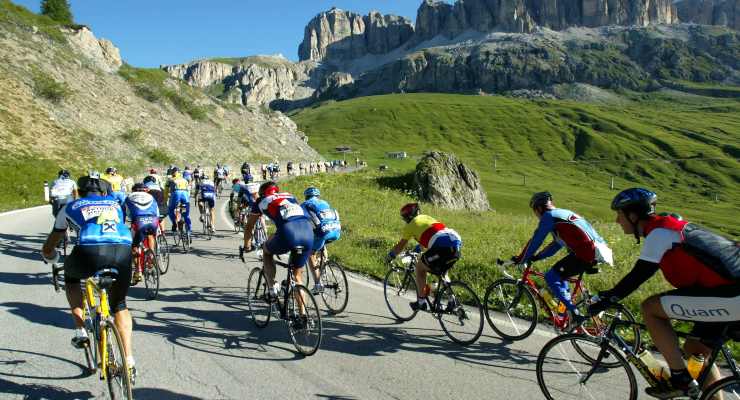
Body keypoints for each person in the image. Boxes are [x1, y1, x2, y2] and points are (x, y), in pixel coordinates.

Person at [589, 188, 739, 398]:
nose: (616, 220)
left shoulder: (659, 233)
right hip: (725, 292)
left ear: (633, 216)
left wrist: (607, 298)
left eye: (619, 215)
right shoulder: (669, 228)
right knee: (695, 349)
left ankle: (679, 379)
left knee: (650, 308)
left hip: (732, 296)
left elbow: (638, 276)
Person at [41, 173, 136, 378]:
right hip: (122, 249)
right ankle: (129, 360)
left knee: (72, 278)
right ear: (103, 192)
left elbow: (53, 240)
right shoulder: (115, 204)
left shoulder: (70, 207)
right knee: (119, 304)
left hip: (90, 250)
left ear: (79, 192)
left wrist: (49, 254)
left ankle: (80, 330)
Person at [514, 191, 611, 324]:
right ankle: (563, 312)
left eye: (535, 211)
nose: (536, 215)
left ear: (540, 208)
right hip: (599, 250)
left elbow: (536, 240)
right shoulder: (561, 214)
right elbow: (556, 245)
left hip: (587, 253)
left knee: (551, 276)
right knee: (560, 275)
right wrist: (537, 257)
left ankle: (574, 314)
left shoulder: (548, 216)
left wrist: (521, 259)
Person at [240, 182, 314, 301]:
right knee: (297, 276)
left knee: (267, 251)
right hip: (308, 233)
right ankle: (303, 316)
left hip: (288, 233)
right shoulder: (290, 196)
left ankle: (272, 288)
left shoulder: (260, 201)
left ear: (262, 193)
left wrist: (247, 245)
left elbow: (249, 226)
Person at [386, 203, 462, 311]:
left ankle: (421, 302)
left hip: (442, 246)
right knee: (442, 272)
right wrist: (417, 249)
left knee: (420, 268)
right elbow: (429, 236)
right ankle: (451, 300)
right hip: (455, 243)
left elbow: (401, 246)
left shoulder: (410, 225)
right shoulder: (427, 218)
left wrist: (390, 256)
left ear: (407, 217)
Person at [301, 187, 341, 295]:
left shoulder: (304, 204)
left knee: (310, 253)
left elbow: (301, 221)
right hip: (336, 230)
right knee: (322, 242)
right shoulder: (324, 202)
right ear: (318, 196)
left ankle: (318, 284)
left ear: (306, 196)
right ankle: (324, 263)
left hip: (323, 231)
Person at [125, 183, 160, 284]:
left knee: (134, 246)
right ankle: (151, 254)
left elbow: (127, 214)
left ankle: (138, 271)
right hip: (153, 220)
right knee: (150, 235)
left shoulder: (129, 197)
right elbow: (157, 212)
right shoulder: (151, 196)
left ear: (134, 190)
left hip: (139, 222)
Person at [166, 168, 191, 236]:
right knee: (186, 214)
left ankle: (174, 223)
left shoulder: (170, 179)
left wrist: (165, 200)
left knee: (170, 209)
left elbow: (166, 190)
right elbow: (188, 190)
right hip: (185, 194)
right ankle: (189, 231)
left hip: (176, 193)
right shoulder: (184, 179)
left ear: (173, 173)